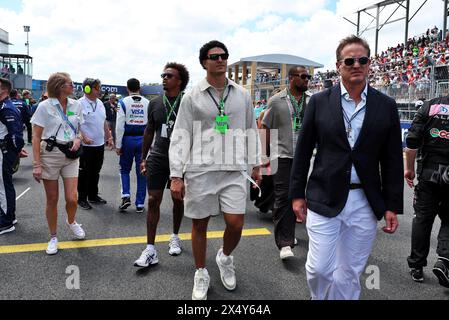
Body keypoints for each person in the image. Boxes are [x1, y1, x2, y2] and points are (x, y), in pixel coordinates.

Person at [289, 35, 404, 300]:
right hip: (323, 196)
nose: (356, 65)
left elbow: (392, 161)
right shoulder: (318, 102)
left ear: (369, 64)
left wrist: (391, 205)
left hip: (365, 201)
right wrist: (296, 194)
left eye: (362, 60)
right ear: (339, 65)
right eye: (349, 60)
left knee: (348, 273)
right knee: (320, 270)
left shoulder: (386, 106)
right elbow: (303, 151)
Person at [169, 40, 262, 300]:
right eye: (214, 56)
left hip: (234, 169)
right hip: (200, 170)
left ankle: (224, 256)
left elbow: (250, 130)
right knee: (200, 224)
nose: (220, 60)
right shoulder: (193, 96)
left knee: (236, 223)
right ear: (204, 62)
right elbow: (180, 136)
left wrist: (256, 164)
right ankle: (200, 272)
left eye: (224, 56)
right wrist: (176, 175)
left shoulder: (242, 95)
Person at [134, 62, 189, 267]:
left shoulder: (188, 102)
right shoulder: (155, 103)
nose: (164, 78)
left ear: (180, 80)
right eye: (163, 75)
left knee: (178, 198)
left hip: (182, 157)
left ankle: (175, 235)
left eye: (169, 75)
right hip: (158, 155)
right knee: (152, 199)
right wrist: (143, 157)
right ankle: (150, 249)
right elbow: (149, 130)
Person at [30, 73, 85, 254]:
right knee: (52, 199)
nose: (73, 85)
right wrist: (36, 164)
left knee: (72, 198)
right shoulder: (44, 107)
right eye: (70, 83)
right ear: (61, 86)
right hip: (50, 154)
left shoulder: (76, 105)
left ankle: (71, 221)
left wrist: (78, 139)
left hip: (71, 154)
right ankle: (53, 237)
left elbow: (78, 130)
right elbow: (36, 137)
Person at [262, 65, 311, 260]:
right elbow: (265, 127)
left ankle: (287, 233)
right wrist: (262, 157)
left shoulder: (311, 101)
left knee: (297, 196)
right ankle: (285, 243)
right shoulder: (276, 101)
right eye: (303, 76)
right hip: (281, 156)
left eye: (308, 76)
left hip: (303, 158)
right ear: (291, 78)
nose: (307, 80)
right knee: (282, 197)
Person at [405, 96, 449, 288]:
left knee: (422, 219)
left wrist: (409, 169)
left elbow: (412, 141)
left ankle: (416, 266)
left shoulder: (430, 106)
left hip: (429, 173)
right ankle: (445, 259)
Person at [78, 78, 114, 210]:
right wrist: (83, 137)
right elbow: (74, 124)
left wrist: (109, 137)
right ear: (87, 89)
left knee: (96, 171)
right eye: (97, 88)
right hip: (85, 146)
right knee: (84, 173)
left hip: (99, 145)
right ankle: (82, 198)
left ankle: (93, 196)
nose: (99, 90)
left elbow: (104, 122)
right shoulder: (79, 104)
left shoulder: (100, 103)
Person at [115, 79, 149, 213]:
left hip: (128, 139)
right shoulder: (148, 103)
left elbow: (119, 126)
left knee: (124, 170)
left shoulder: (122, 102)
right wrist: (151, 145)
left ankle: (125, 196)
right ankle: (140, 203)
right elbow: (152, 125)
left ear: (127, 88)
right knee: (142, 171)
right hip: (143, 139)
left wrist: (118, 145)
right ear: (139, 88)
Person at [0, 78, 25, 235]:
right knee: (5, 184)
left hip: (4, 152)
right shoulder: (4, 106)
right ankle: (10, 216)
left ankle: (6, 222)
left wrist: (15, 150)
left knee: (2, 186)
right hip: (5, 151)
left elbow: (17, 136)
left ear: (3, 90)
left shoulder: (6, 109)